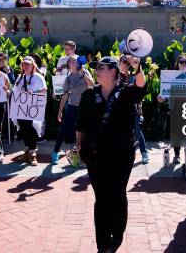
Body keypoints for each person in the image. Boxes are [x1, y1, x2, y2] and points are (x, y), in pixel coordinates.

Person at [76, 56, 146, 252]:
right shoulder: (88, 96)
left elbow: (141, 86)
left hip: (122, 155)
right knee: (102, 198)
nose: (97, 71)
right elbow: (81, 123)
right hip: (95, 155)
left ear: (114, 71)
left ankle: (117, 233)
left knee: (117, 194)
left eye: (101, 68)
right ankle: (103, 244)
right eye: (96, 68)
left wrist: (137, 66)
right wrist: (78, 145)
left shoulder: (125, 94)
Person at [52, 55, 93, 164]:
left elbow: (92, 85)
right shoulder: (68, 78)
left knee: (85, 131)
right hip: (72, 106)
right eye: (72, 62)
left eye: (75, 61)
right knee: (64, 128)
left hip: (85, 106)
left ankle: (84, 154)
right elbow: (65, 96)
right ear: (69, 65)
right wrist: (60, 111)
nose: (74, 62)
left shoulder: (85, 72)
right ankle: (55, 152)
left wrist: (83, 74)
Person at [157, 54, 186, 164]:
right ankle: (177, 155)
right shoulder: (170, 78)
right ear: (178, 64)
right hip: (176, 109)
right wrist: (161, 98)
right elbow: (164, 96)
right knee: (177, 134)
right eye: (182, 62)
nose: (184, 64)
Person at [13, 56, 47, 166]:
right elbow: (15, 92)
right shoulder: (20, 78)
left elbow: (44, 90)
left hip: (33, 108)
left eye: (28, 64)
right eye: (23, 64)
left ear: (33, 65)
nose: (25, 66)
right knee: (23, 128)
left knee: (32, 128)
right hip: (22, 108)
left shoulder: (38, 77)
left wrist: (34, 94)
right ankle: (28, 150)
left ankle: (33, 153)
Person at [119, 54, 149, 164]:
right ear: (119, 63)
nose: (127, 64)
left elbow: (139, 93)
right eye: (124, 62)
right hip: (119, 111)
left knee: (137, 130)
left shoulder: (133, 76)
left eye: (128, 62)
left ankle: (144, 152)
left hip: (133, 108)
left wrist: (140, 108)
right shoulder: (115, 77)